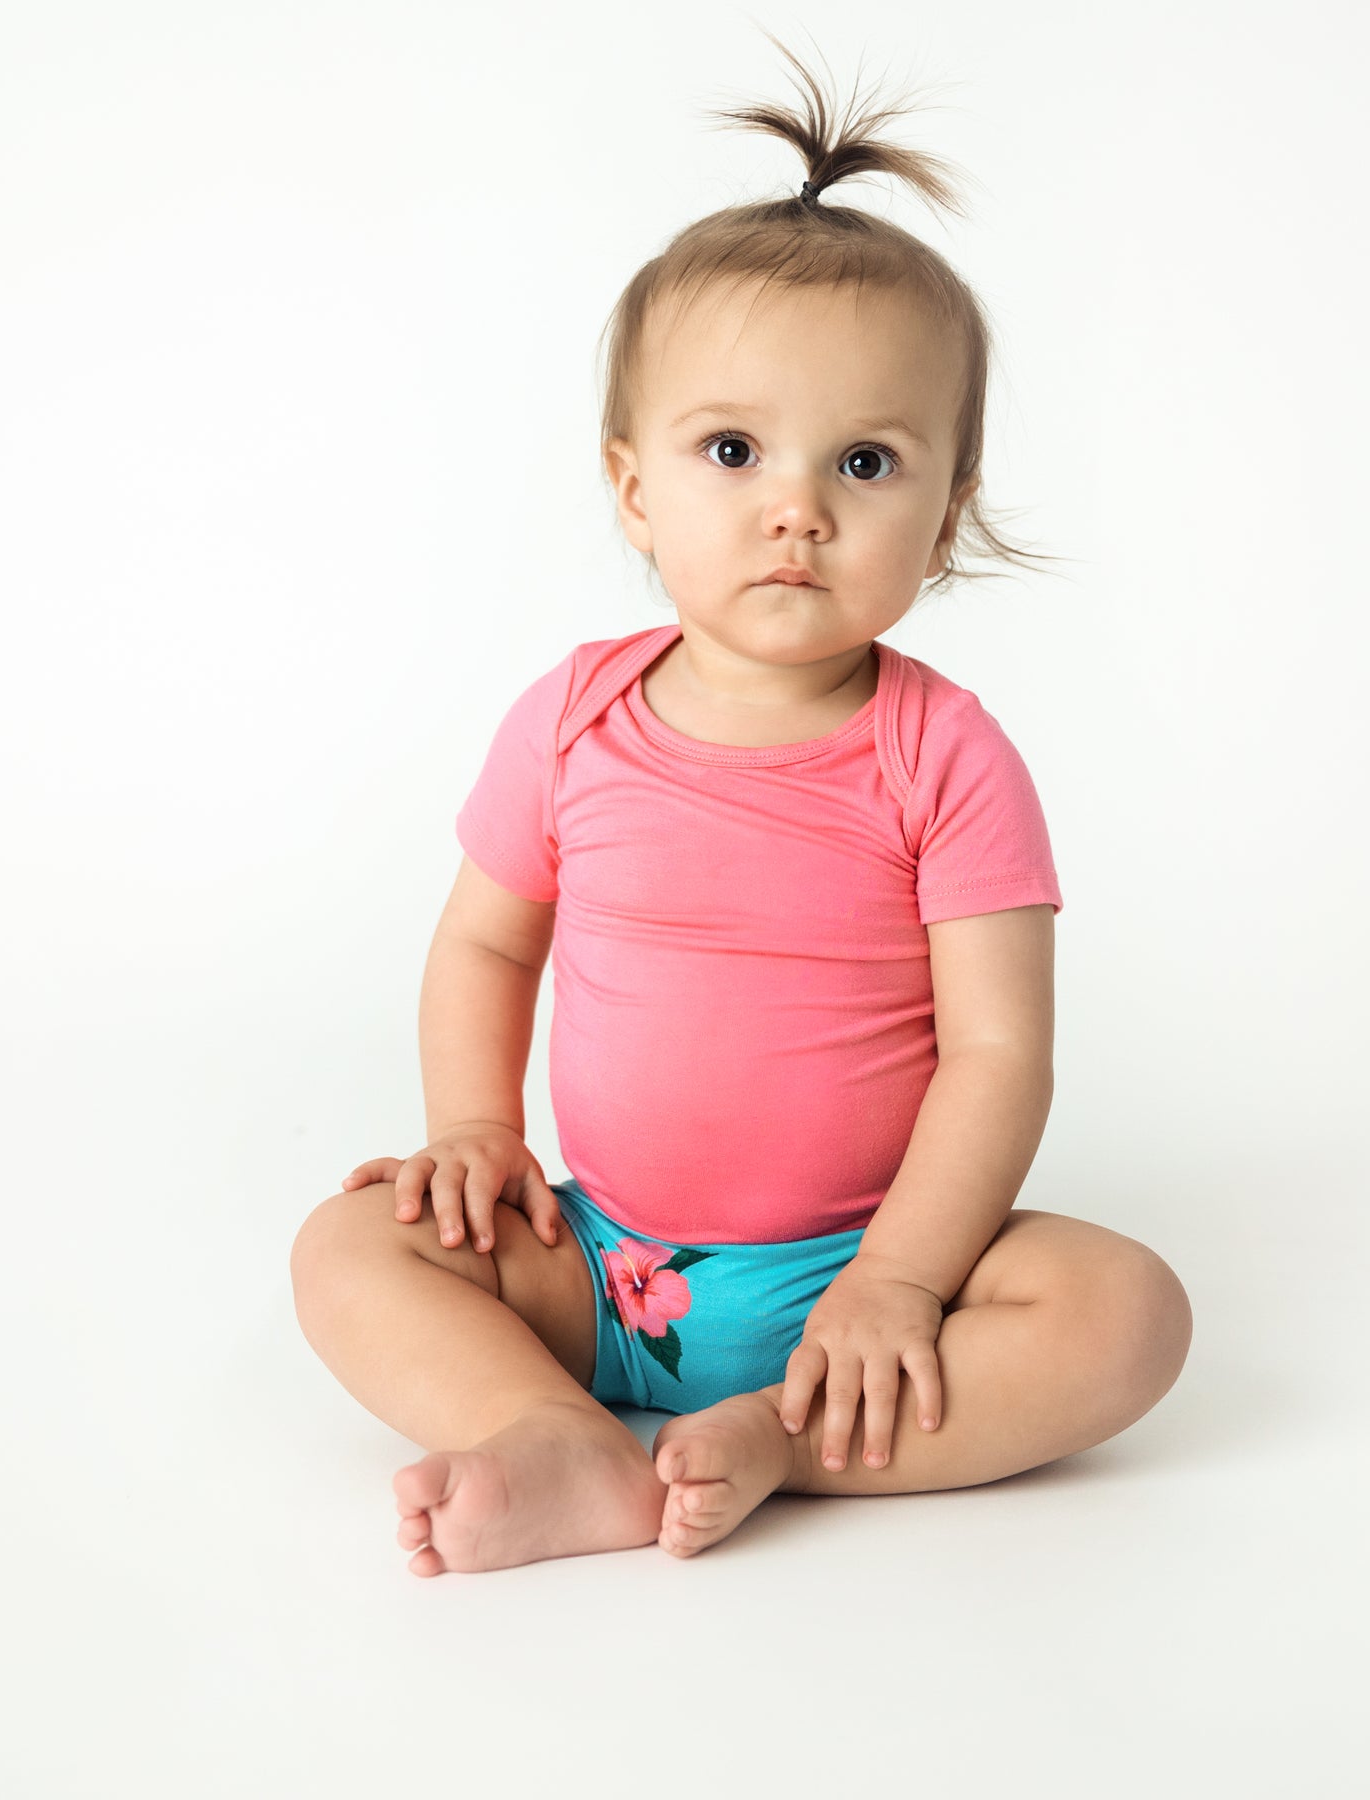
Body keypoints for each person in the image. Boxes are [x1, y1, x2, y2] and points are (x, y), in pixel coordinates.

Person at [290, 37, 1192, 1577]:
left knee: (1128, 1316)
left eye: (865, 460)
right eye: (732, 451)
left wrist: (902, 1284)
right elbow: (490, 949)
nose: (799, 507)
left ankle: (788, 1435)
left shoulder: (946, 755)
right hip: (603, 1255)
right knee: (347, 1247)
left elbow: (997, 1053)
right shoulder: (574, 716)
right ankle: (554, 1434)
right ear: (634, 488)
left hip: (870, 1269)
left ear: (946, 512)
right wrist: (472, 1132)